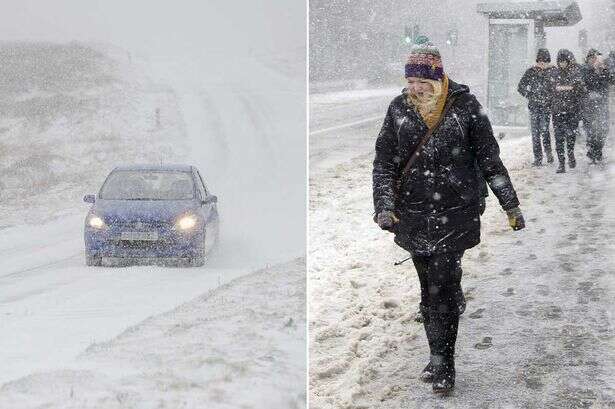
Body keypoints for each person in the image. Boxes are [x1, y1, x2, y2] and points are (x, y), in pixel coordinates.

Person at [372, 38, 525, 394]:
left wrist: (510, 205)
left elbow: (490, 159)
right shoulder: (398, 108)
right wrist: (384, 205)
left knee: (440, 288)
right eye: (410, 81)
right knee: (428, 288)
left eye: (421, 81)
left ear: (438, 78)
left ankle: (444, 364)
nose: (415, 88)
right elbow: (384, 163)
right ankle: (437, 347)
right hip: (412, 212)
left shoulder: (465, 107)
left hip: (455, 211)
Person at [517, 48, 555, 166]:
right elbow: (521, 86)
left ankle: (548, 152)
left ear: (548, 61)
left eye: (545, 60)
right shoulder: (531, 72)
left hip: (546, 107)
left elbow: (556, 88)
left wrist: (550, 98)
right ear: (537, 60)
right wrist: (530, 95)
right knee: (535, 133)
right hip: (534, 107)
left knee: (544, 130)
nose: (542, 62)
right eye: (540, 60)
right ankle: (538, 158)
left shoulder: (553, 71)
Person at [551, 49, 586, 173]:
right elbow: (550, 91)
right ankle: (561, 163)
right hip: (558, 111)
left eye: (564, 61)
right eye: (560, 61)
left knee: (571, 136)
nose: (562, 64)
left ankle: (570, 155)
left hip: (572, 111)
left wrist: (572, 89)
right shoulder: (554, 74)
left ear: (568, 61)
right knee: (559, 138)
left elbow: (581, 91)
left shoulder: (575, 73)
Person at [581, 49, 613, 164]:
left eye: (597, 58)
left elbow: (611, 80)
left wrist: (604, 69)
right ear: (588, 59)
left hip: (602, 105)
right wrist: (594, 70)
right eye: (592, 58)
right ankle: (591, 151)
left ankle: (598, 151)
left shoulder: (604, 69)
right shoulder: (584, 69)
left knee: (603, 130)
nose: (595, 60)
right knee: (590, 130)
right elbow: (588, 81)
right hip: (588, 106)